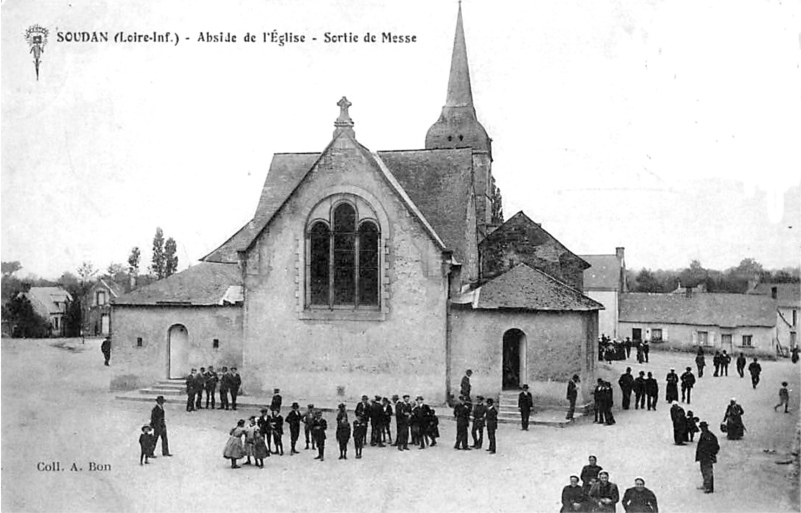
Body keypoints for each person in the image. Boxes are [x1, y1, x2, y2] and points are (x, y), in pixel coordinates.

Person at [696, 421, 719, 493]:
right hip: (703, 457)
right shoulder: (703, 435)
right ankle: (706, 485)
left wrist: (711, 454)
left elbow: (716, 447)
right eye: (701, 428)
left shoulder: (710, 436)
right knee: (704, 471)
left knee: (708, 472)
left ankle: (709, 488)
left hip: (708, 457)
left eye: (703, 427)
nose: (702, 429)